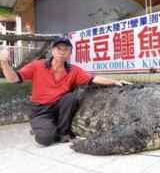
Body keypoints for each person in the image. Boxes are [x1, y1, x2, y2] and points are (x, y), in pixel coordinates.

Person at [0, 37, 131, 146]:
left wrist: (114, 82)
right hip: (40, 109)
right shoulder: (37, 65)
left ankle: (64, 133)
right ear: (52, 51)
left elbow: (93, 78)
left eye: (65, 49)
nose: (62, 52)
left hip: (59, 106)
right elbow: (14, 78)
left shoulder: (73, 70)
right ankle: (42, 127)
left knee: (71, 98)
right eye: (58, 49)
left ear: (69, 53)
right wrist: (5, 64)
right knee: (46, 139)